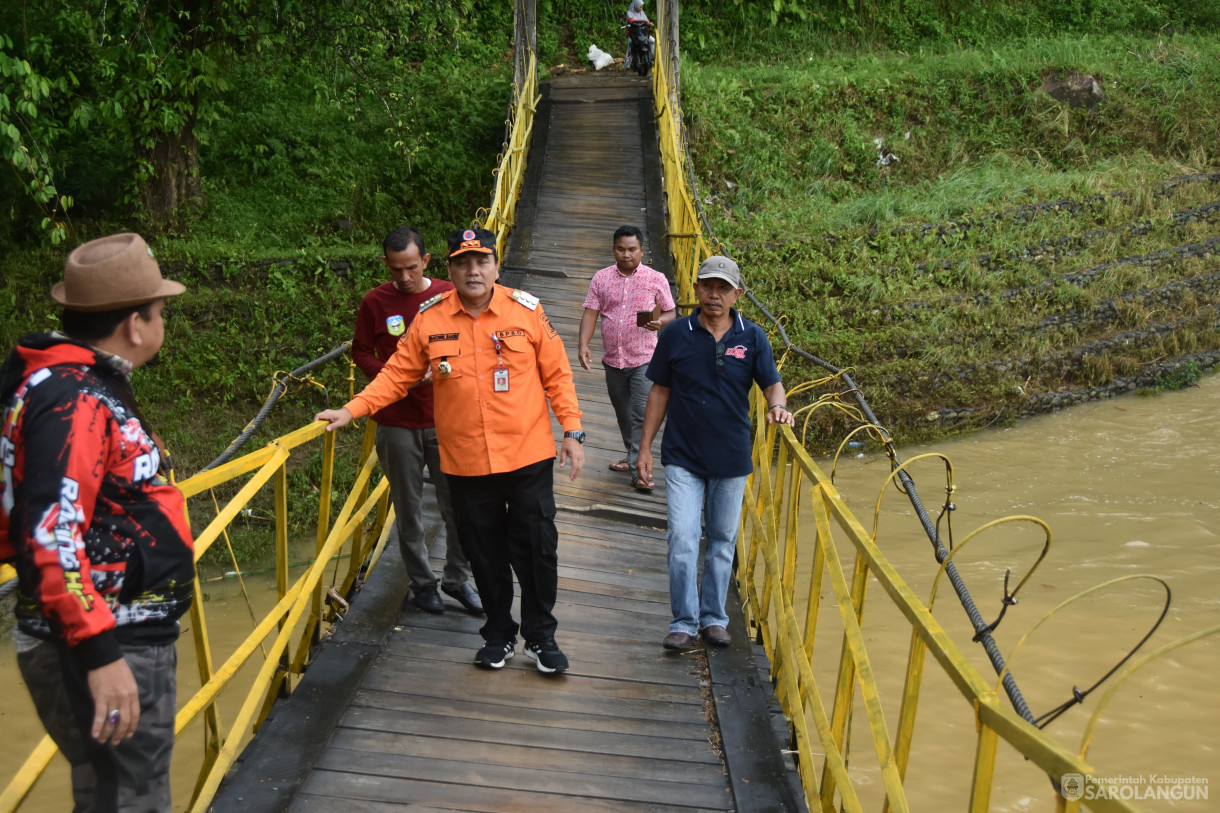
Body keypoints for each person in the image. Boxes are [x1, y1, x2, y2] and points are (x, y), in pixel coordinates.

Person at [316, 227, 585, 674]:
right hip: (465, 460)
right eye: (463, 262)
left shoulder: (527, 311)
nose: (473, 270)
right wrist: (353, 409)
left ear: (496, 266)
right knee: (484, 550)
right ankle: (499, 634)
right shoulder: (431, 318)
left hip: (527, 455)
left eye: (481, 261)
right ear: (450, 271)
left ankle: (541, 636)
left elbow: (558, 376)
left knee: (537, 549)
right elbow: (397, 374)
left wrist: (572, 433)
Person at [0, 233, 196, 810]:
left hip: (96, 631)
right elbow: (50, 531)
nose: (162, 324)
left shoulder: (54, 382)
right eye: (159, 313)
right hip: (112, 640)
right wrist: (100, 655)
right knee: (134, 797)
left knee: (105, 791)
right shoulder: (75, 400)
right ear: (136, 325)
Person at [636, 255, 794, 651]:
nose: (714, 295)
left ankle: (713, 618)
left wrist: (779, 405)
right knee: (684, 537)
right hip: (683, 455)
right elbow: (660, 391)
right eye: (707, 285)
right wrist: (644, 449)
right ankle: (683, 622)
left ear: (737, 294)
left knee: (723, 540)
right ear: (695, 289)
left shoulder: (753, 337)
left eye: (723, 288)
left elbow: (772, 384)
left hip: (731, 456)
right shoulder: (675, 333)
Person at [352, 226, 482, 616]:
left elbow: (473, 342)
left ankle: (458, 579)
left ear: (425, 260)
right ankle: (423, 584)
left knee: (459, 505)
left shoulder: (449, 293)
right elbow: (360, 351)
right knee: (408, 510)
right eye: (396, 270)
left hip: (447, 418)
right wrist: (395, 376)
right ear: (386, 265)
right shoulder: (375, 302)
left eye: (411, 267)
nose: (404, 278)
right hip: (396, 422)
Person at [577, 225, 675, 492]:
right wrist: (583, 344)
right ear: (613, 250)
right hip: (613, 361)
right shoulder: (601, 278)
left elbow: (670, 313)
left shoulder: (656, 278)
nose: (626, 254)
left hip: (644, 360)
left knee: (641, 415)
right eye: (621, 249)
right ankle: (632, 454)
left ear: (642, 250)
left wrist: (659, 323)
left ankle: (638, 469)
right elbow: (591, 312)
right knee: (623, 414)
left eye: (632, 249)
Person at [623, 0, 655, 70]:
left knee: (652, 41)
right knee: (630, 45)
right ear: (636, 6)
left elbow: (647, 21)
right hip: (634, 34)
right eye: (640, 7)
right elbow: (631, 20)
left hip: (643, 33)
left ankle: (653, 57)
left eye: (642, 7)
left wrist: (649, 23)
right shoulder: (630, 13)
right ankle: (628, 63)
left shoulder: (642, 12)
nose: (641, 8)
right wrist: (643, 20)